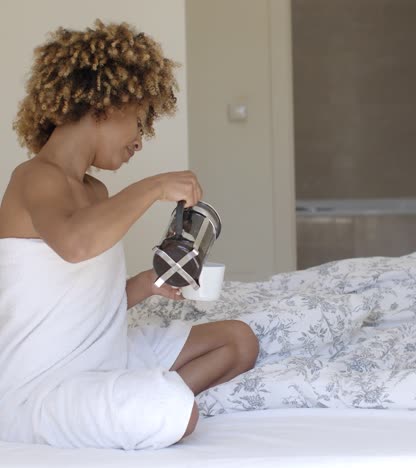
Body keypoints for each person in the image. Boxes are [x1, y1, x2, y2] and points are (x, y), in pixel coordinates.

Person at [0, 19, 259, 450]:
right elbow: (75, 243)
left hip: (105, 356)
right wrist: (153, 187)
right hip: (43, 390)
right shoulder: (33, 177)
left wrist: (145, 285)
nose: (140, 140)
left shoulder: (94, 190)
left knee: (238, 341)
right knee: (176, 411)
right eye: (138, 122)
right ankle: (125, 407)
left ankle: (122, 402)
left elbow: (77, 305)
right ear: (103, 105)